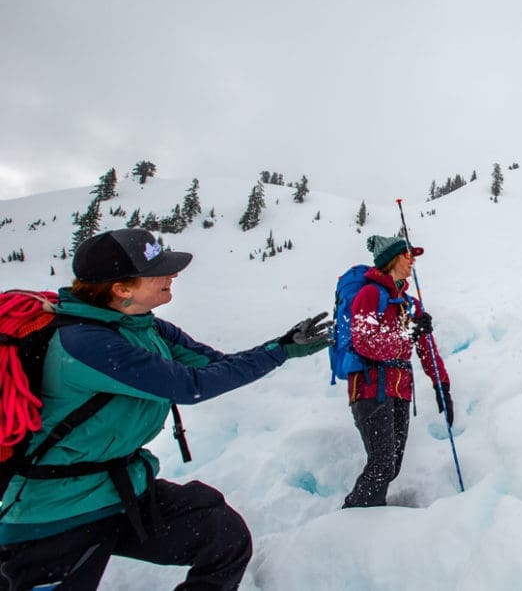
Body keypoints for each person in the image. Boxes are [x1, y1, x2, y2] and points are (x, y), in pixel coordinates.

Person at [0, 228, 331, 589]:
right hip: (57, 511)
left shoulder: (144, 326)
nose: (172, 274)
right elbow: (190, 385)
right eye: (158, 270)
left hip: (121, 490)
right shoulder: (85, 344)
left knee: (223, 537)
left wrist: (280, 346)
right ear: (121, 288)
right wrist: (279, 353)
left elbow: (211, 365)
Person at [341, 235, 452, 508]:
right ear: (391, 259)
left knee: (391, 466)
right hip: (370, 387)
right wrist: (407, 334)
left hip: (400, 391)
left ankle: (368, 516)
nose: (412, 260)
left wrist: (442, 385)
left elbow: (426, 347)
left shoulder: (410, 304)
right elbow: (364, 342)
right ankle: (352, 520)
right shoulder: (369, 295)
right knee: (382, 463)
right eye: (407, 255)